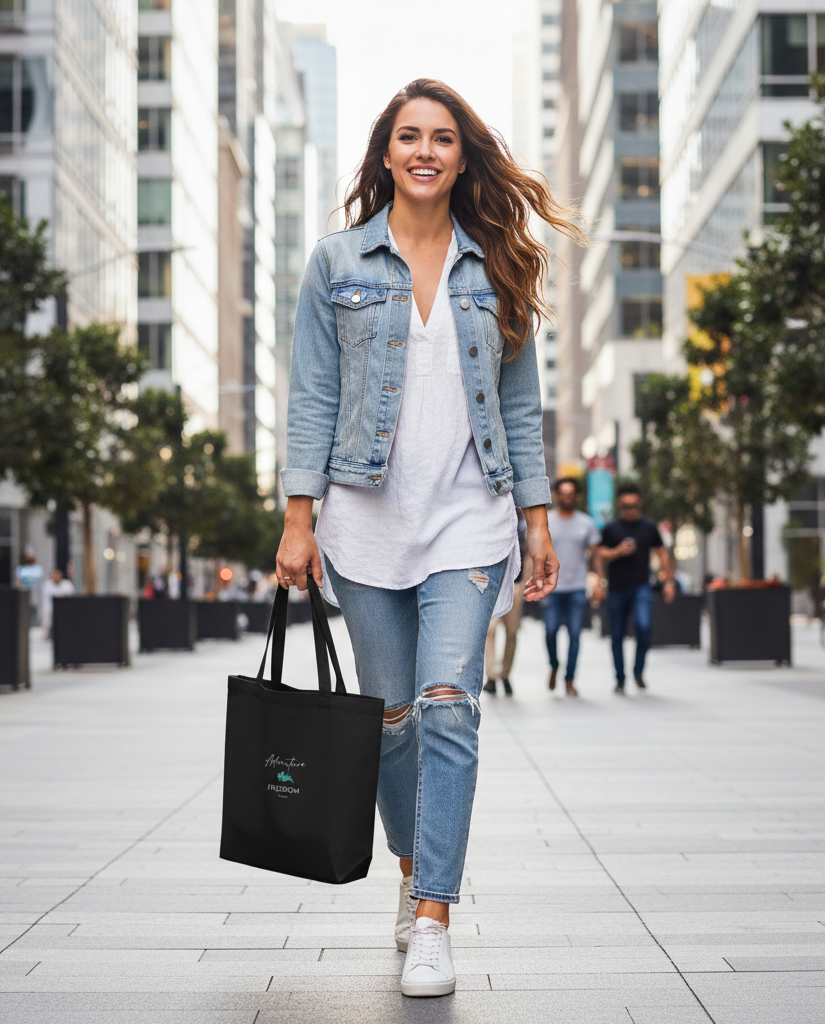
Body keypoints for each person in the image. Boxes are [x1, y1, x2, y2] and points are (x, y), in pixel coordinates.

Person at [276, 79, 580, 998]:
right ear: (385, 154)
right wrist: (298, 515)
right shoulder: (336, 262)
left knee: (449, 703)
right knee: (393, 721)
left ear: (461, 156)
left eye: (442, 137)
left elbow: (520, 407)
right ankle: (412, 872)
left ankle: (436, 914)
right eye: (408, 136)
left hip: (469, 521)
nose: (424, 150)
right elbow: (314, 396)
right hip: (364, 521)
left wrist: (534, 518)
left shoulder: (498, 265)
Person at [594, 484, 674, 693]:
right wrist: (618, 552)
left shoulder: (648, 526)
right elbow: (600, 554)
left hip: (641, 587)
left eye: (633, 505)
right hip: (616, 589)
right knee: (617, 635)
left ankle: (638, 671)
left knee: (644, 627)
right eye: (625, 506)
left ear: (639, 503)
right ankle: (620, 678)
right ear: (620, 505)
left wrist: (668, 581)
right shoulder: (612, 528)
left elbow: (662, 553)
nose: (630, 509)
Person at [542, 477, 600, 696]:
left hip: (577, 587)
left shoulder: (586, 523)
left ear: (576, 496)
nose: (567, 497)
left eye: (571, 494)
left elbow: (595, 555)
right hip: (552, 588)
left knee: (575, 634)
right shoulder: (546, 521)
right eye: (563, 493)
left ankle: (569, 679)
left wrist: (599, 582)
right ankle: (555, 664)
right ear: (556, 496)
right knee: (550, 631)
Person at [483, 512, 532, 696]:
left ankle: (505, 674)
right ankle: (492, 677)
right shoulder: (489, 521)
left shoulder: (524, 526)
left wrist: (527, 582)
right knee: (491, 630)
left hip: (516, 585)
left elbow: (529, 556)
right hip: (492, 585)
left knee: (512, 632)